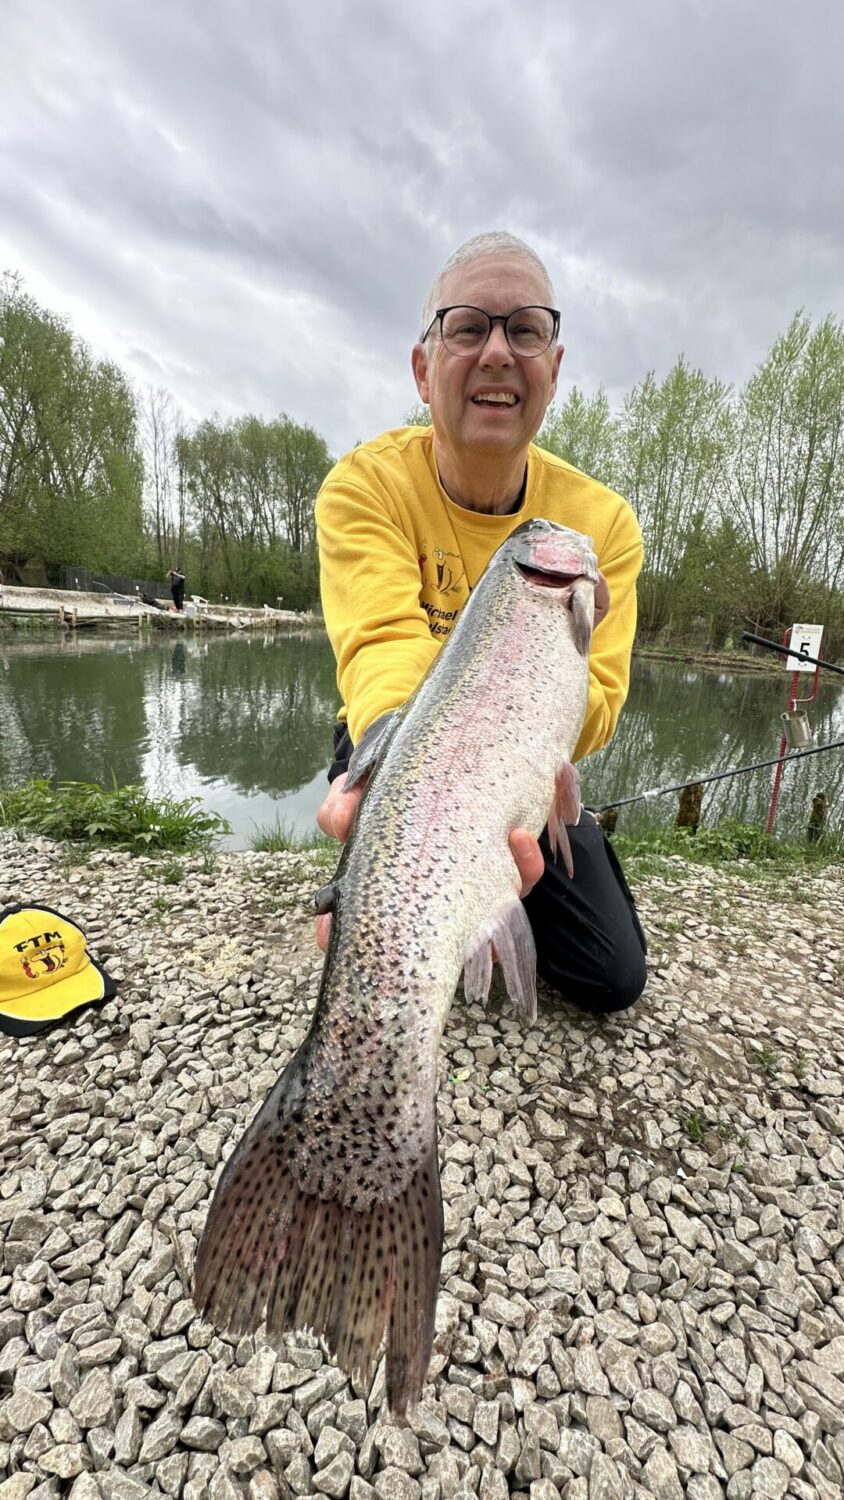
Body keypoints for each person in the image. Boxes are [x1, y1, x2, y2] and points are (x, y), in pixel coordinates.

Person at [314, 232, 647, 1014]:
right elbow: (383, 649)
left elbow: (597, 708)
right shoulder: (363, 486)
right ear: (424, 368)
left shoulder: (599, 529)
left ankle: (483, 879)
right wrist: (412, 801)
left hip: (527, 758)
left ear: (554, 369)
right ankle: (399, 880)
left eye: (525, 329)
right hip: (392, 736)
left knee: (613, 977)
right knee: (394, 924)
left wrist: (546, 694)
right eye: (468, 327)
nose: (498, 351)